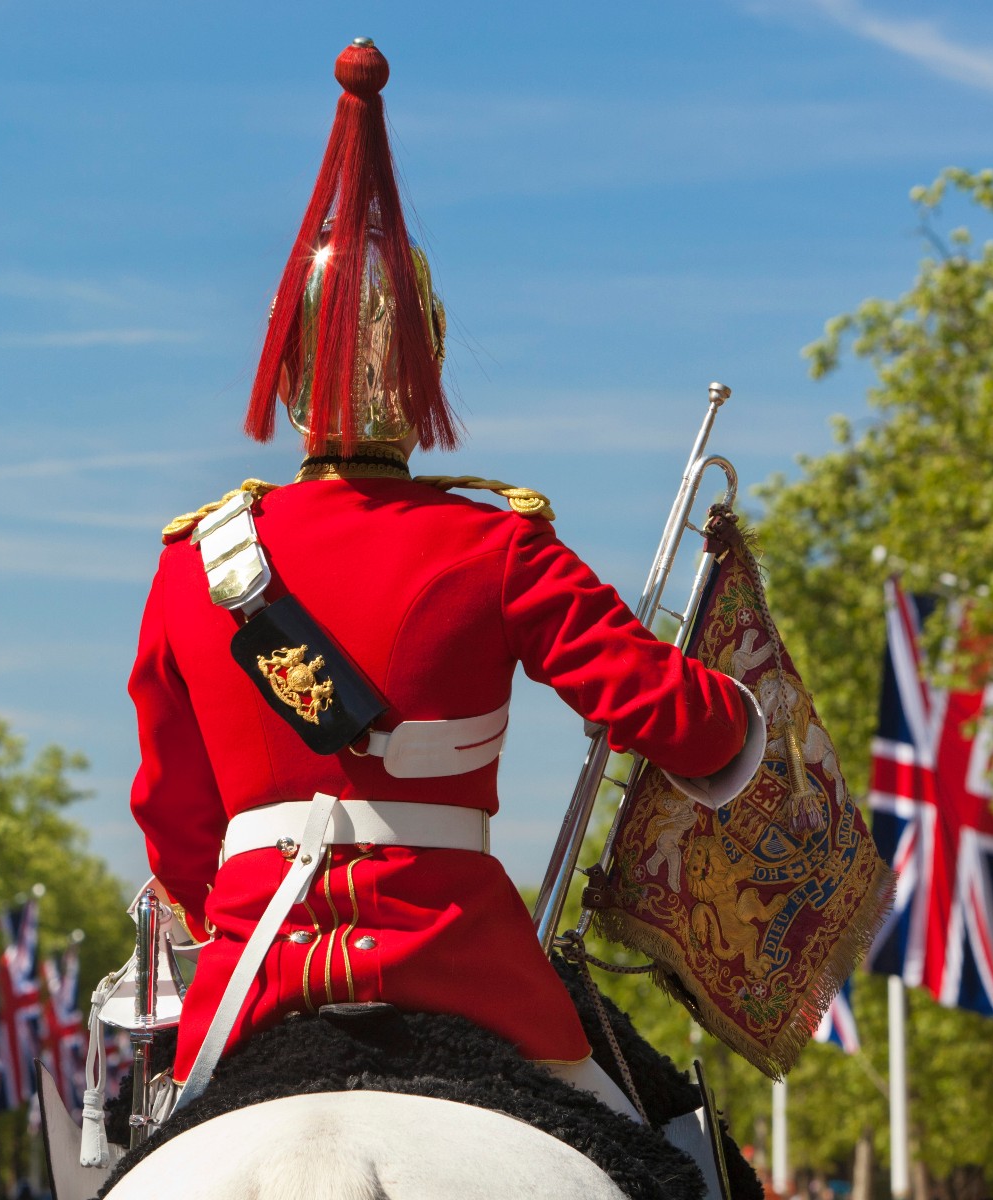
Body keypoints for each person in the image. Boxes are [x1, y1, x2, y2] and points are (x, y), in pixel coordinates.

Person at [127, 38, 758, 1117]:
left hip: (252, 978)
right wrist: (738, 703)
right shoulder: (496, 545)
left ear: (281, 372)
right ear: (428, 363)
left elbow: (175, 819)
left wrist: (224, 907)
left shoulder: (195, 564)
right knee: (679, 1149)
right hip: (469, 969)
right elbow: (681, 724)